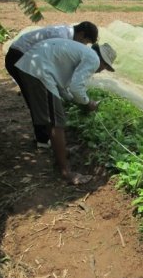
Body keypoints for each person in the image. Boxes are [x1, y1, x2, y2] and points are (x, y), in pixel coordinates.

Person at [14, 38, 117, 185]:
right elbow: (76, 87)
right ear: (103, 61)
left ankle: (60, 153)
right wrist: (88, 103)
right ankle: (66, 172)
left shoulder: (83, 52)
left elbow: (62, 85)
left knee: (53, 118)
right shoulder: (93, 59)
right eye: (104, 67)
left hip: (32, 65)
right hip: (40, 71)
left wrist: (72, 99)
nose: (100, 71)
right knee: (57, 122)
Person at [5, 21, 99, 148]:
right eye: (85, 42)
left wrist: (69, 96)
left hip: (26, 55)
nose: (84, 45)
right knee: (36, 97)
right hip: (19, 55)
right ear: (81, 34)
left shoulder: (66, 35)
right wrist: (78, 98)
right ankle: (43, 138)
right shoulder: (61, 37)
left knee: (38, 98)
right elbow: (48, 63)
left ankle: (45, 136)